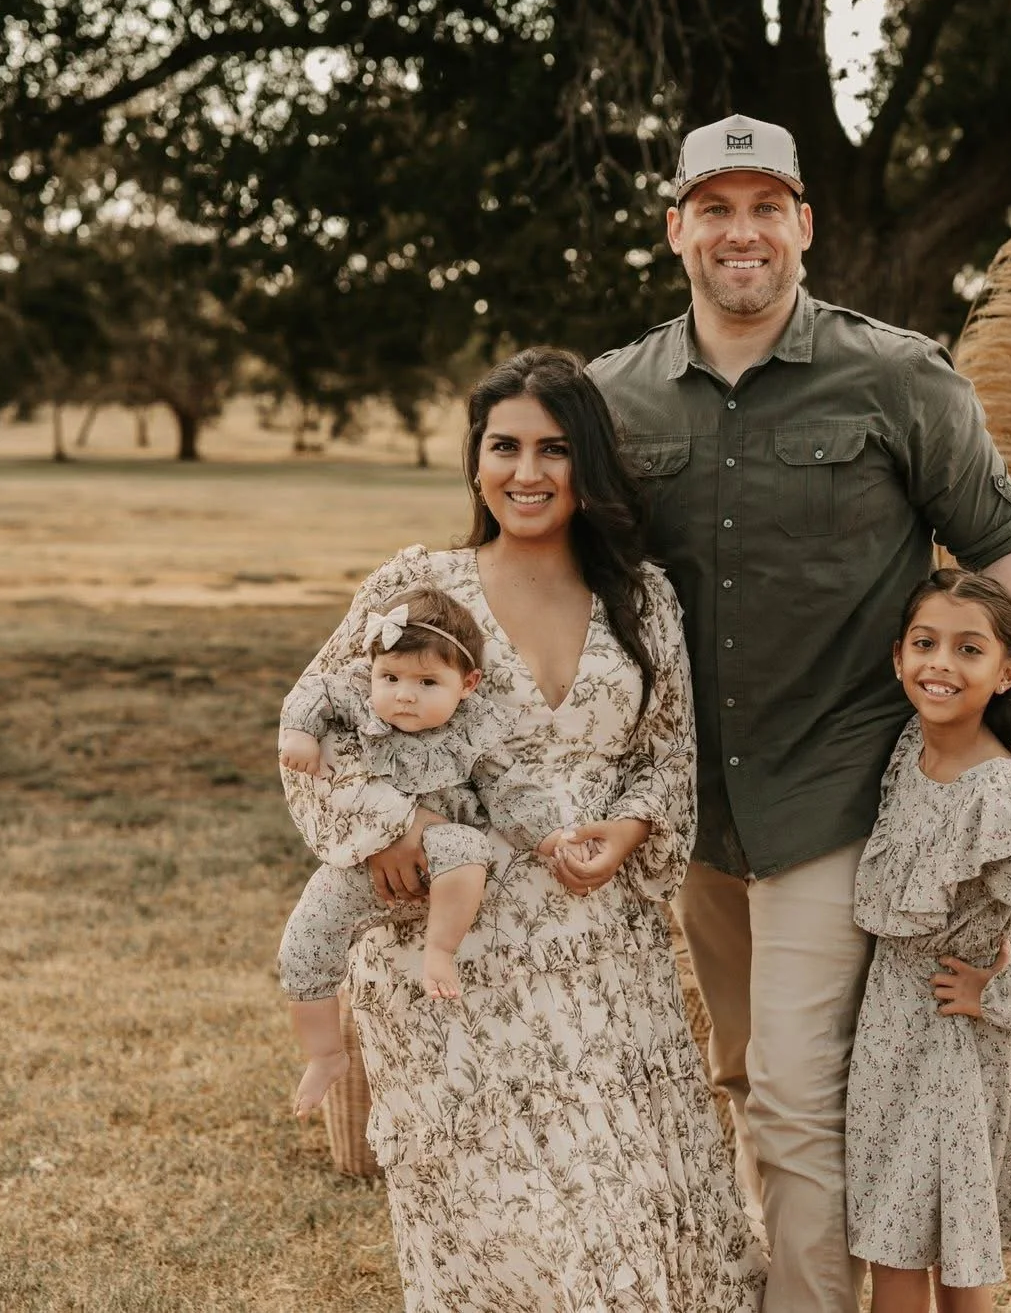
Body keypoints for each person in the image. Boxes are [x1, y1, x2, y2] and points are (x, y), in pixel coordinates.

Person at [589, 114, 1011, 1312]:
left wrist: (992, 748)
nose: (739, 233)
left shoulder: (896, 375)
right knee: (747, 1075)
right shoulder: (613, 395)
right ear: (677, 227)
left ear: (802, 222)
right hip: (691, 808)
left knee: (795, 1090)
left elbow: (1000, 552)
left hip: (838, 795)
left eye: (763, 207)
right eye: (714, 208)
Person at [277, 347, 763, 1311]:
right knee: (507, 1229)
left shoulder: (643, 598)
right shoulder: (415, 592)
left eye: (554, 450)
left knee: (634, 1215)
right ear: (475, 460)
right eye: (505, 446)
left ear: (589, 468)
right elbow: (320, 737)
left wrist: (628, 830)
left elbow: (666, 759)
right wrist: (395, 830)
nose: (527, 473)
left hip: (602, 965)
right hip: (449, 963)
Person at [846, 568, 1011, 1313]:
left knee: (912, 1242)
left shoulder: (998, 797)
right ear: (897, 656)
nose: (941, 665)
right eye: (926, 644)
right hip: (894, 1028)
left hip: (952, 1037)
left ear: (1006, 671)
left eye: (969, 650)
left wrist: (997, 992)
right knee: (926, 1227)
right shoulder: (913, 746)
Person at [276, 585, 515, 1118]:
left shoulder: (474, 729)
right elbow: (311, 693)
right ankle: (324, 1054)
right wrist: (300, 734)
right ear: (372, 671)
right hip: (358, 863)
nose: (404, 695)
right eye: (391, 678)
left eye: (427, 682)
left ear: (468, 684)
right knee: (303, 942)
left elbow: (510, 792)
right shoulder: (355, 696)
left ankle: (440, 949)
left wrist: (547, 835)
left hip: (440, 860)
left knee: (465, 846)